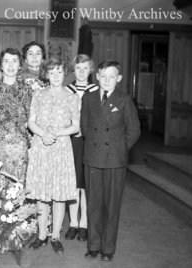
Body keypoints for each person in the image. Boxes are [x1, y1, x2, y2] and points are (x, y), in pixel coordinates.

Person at [81, 60, 140, 261]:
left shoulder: (124, 99)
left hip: (115, 159)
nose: (107, 80)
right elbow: (85, 127)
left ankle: (108, 249)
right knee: (93, 204)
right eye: (103, 76)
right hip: (93, 158)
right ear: (96, 76)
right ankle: (93, 246)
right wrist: (95, 148)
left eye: (112, 77)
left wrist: (119, 150)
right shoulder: (88, 98)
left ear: (119, 79)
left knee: (111, 206)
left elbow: (134, 131)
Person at [26, 58, 80, 254]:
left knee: (59, 194)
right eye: (52, 73)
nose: (56, 76)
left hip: (61, 147)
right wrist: (42, 133)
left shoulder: (71, 96)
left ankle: (55, 235)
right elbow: (31, 122)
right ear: (46, 75)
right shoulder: (38, 95)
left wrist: (56, 134)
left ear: (64, 74)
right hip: (41, 144)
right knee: (42, 194)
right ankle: (41, 235)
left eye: (59, 72)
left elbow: (76, 126)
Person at [64, 54, 99, 242]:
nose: (82, 72)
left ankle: (84, 223)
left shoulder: (95, 90)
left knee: (85, 184)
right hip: (71, 141)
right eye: (78, 68)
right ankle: (73, 224)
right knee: (73, 182)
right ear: (73, 70)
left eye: (85, 68)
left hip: (89, 141)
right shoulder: (67, 90)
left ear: (91, 70)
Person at [0, 48, 32, 181]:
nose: (10, 65)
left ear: (20, 65)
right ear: (0, 65)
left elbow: (29, 120)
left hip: (18, 147)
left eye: (14, 61)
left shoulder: (27, 90)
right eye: (6, 61)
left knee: (15, 190)